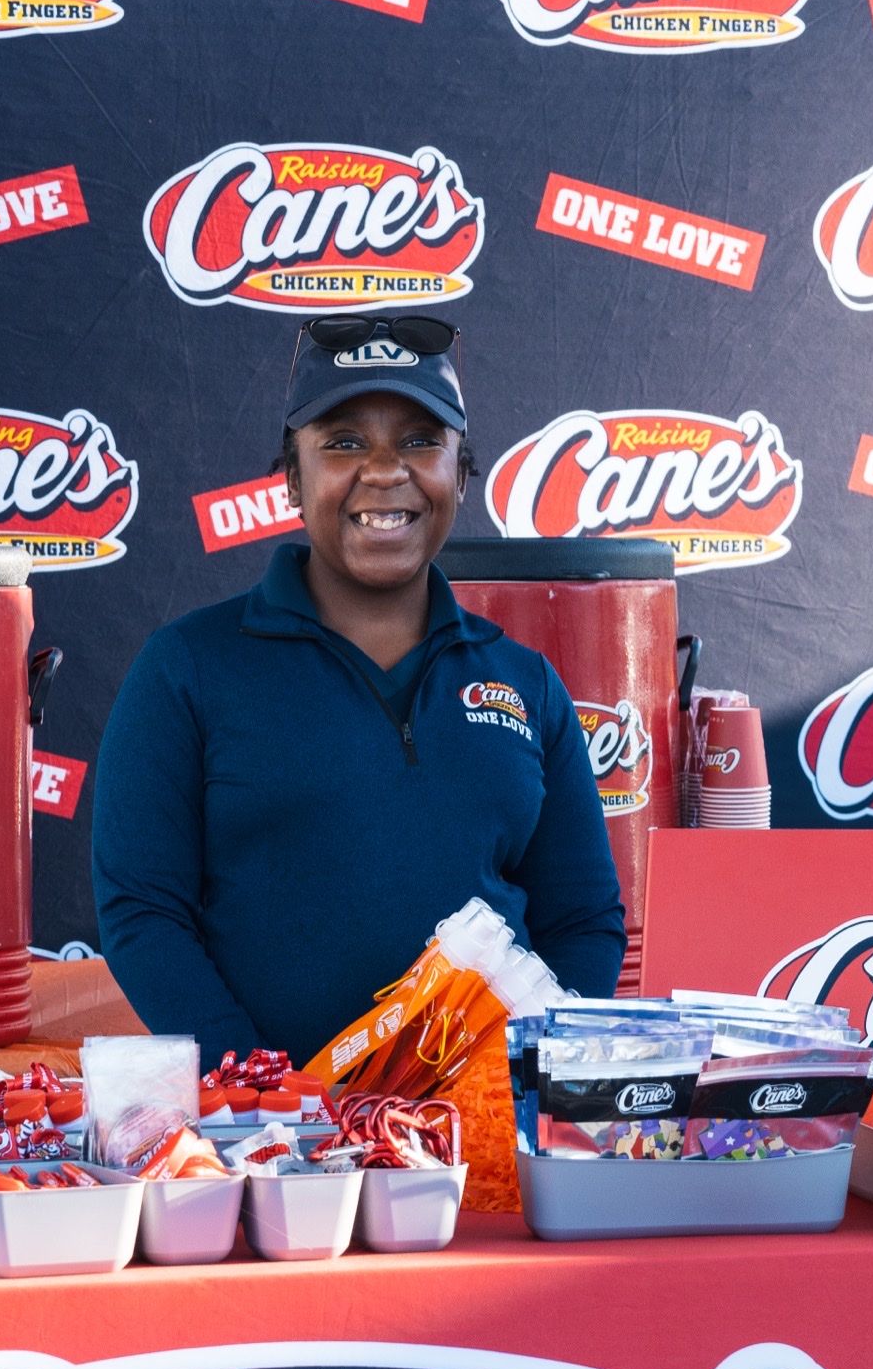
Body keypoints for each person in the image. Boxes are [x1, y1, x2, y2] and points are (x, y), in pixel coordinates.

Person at [94, 314, 626, 1065]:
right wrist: (265, 1091)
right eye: (343, 442)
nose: (384, 470)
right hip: (276, 1146)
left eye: (419, 440)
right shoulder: (186, 667)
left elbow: (584, 920)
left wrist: (529, 1075)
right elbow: (142, 913)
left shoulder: (526, 683)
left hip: (480, 1136)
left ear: (460, 474)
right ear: (290, 476)